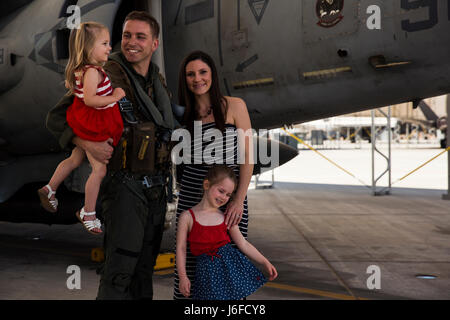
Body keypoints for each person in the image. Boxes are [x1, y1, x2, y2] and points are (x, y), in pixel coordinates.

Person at [45, 11, 175, 299]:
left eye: (140, 37)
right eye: (126, 35)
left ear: (154, 44)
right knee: (119, 273)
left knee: (143, 273)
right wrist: (87, 145)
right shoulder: (106, 75)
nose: (130, 42)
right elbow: (57, 119)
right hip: (125, 188)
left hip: (156, 188)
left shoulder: (157, 82)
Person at [173, 50, 254, 299]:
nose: (197, 79)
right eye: (190, 74)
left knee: (228, 272)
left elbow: (248, 158)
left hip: (228, 201)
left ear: (212, 75)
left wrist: (238, 199)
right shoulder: (183, 114)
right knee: (189, 273)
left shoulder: (234, 106)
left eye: (203, 72)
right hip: (191, 201)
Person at [38, 22, 125, 235]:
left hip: (87, 121)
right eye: (104, 43)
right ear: (88, 49)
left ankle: (50, 188)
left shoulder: (86, 70)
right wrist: (115, 96)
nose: (109, 47)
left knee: (75, 160)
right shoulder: (92, 72)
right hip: (94, 124)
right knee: (99, 170)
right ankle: (88, 212)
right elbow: (89, 99)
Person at [176, 165, 277, 299]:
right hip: (206, 277)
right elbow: (181, 249)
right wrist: (183, 277)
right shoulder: (187, 217)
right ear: (207, 185)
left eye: (228, 195)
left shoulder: (225, 216)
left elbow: (243, 244)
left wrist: (264, 262)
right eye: (221, 191)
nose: (224, 197)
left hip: (231, 274)